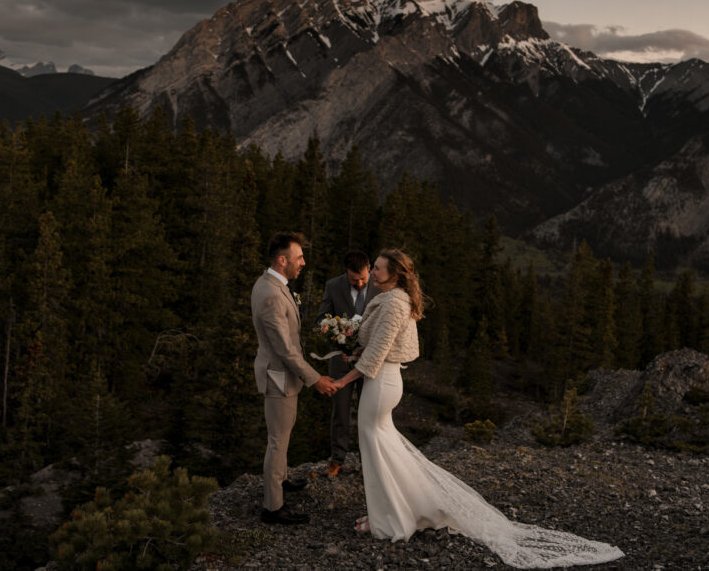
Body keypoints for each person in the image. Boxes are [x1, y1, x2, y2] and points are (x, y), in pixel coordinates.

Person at [334, 249, 624, 568]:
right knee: (383, 446)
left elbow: (377, 353)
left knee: (375, 445)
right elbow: (374, 343)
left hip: (381, 382)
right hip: (384, 381)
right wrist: (354, 348)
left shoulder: (393, 303)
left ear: (395, 275)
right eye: (373, 268)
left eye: (377, 269)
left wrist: (342, 381)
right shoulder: (394, 299)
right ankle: (390, 511)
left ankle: (391, 520)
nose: (372, 272)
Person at [251, 231, 337, 525]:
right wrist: (316, 379)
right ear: (282, 259)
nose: (303, 263)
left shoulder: (274, 285)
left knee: (283, 434)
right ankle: (273, 508)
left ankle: (282, 480)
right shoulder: (272, 295)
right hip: (278, 376)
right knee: (277, 440)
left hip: (282, 373)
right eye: (299, 258)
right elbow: (285, 350)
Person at [315, 250, 379, 478]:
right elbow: (321, 319)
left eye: (363, 278)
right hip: (341, 361)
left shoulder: (380, 287)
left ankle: (367, 463)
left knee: (368, 413)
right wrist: (338, 334)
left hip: (371, 361)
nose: (360, 283)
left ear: (370, 269)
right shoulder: (333, 286)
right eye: (355, 280)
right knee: (340, 413)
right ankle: (337, 460)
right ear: (346, 273)